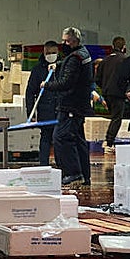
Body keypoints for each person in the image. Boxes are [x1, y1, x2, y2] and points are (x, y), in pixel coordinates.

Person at [44, 26, 94, 185]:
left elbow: (66, 82)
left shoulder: (75, 58)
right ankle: (85, 175)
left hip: (71, 105)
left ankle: (73, 173)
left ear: (73, 41)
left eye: (65, 41)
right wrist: (58, 65)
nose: (63, 43)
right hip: (80, 104)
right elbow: (71, 65)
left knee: (61, 137)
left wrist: (47, 85)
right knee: (78, 139)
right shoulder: (83, 54)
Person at [24, 41, 63, 166]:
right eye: (48, 53)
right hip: (45, 109)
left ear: (58, 53)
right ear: (44, 53)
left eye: (53, 53)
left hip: (62, 109)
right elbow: (30, 92)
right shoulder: (38, 70)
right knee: (46, 138)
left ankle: (62, 167)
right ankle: (44, 166)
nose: (51, 55)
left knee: (60, 140)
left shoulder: (63, 68)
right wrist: (31, 112)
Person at [98, 36, 128, 151]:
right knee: (117, 118)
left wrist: (104, 88)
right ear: (123, 47)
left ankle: (109, 141)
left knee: (113, 117)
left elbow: (97, 79)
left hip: (106, 93)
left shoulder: (104, 60)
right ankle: (109, 142)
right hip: (118, 94)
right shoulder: (124, 60)